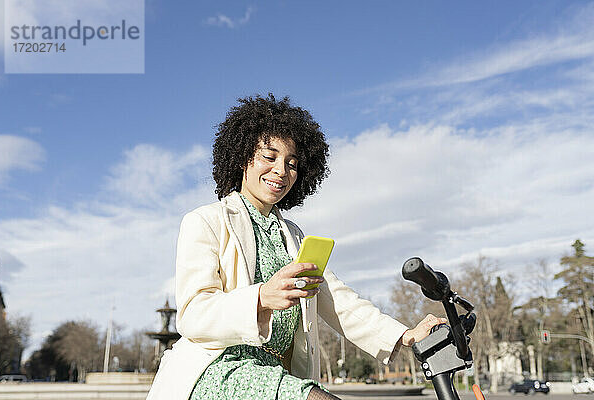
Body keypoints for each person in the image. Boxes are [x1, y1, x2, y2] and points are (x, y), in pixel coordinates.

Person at [146, 94, 446, 400]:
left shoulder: (295, 236)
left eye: (292, 163)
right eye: (269, 156)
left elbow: (339, 301)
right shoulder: (204, 220)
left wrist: (404, 334)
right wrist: (260, 298)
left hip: (277, 373)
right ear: (241, 157)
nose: (281, 170)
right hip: (218, 369)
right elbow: (193, 314)